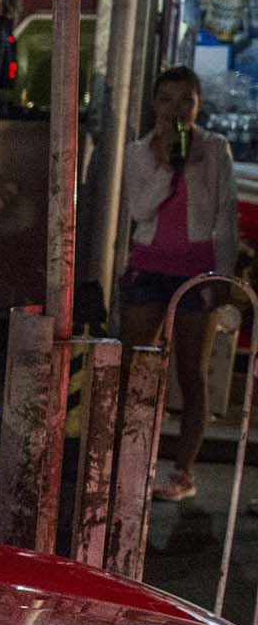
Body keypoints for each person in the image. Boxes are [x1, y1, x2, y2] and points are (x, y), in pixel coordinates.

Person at [116, 67, 240, 504]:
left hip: (197, 271)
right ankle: (128, 461)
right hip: (149, 268)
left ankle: (183, 470)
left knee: (192, 371)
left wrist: (223, 279)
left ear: (198, 104)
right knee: (137, 371)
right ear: (154, 104)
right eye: (166, 99)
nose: (176, 109)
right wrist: (167, 164)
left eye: (186, 99)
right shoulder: (138, 151)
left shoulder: (215, 149)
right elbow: (141, 209)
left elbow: (226, 217)